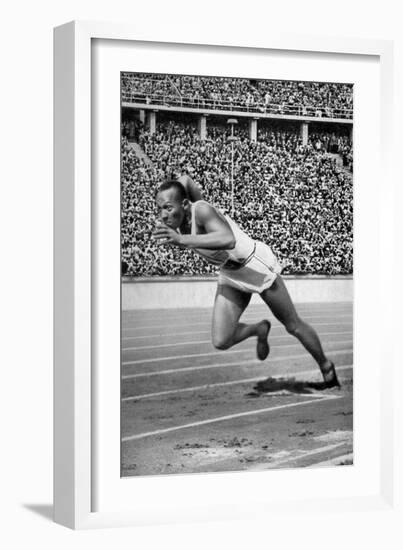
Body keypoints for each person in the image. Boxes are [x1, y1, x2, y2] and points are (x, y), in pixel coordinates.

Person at [152, 179, 340, 388]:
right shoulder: (179, 226)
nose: (163, 215)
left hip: (254, 265)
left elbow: (228, 239)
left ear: (185, 205)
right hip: (231, 275)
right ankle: (258, 329)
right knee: (221, 340)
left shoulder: (202, 210)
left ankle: (326, 366)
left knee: (293, 325)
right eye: (159, 209)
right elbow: (186, 183)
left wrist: (181, 240)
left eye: (168, 207)